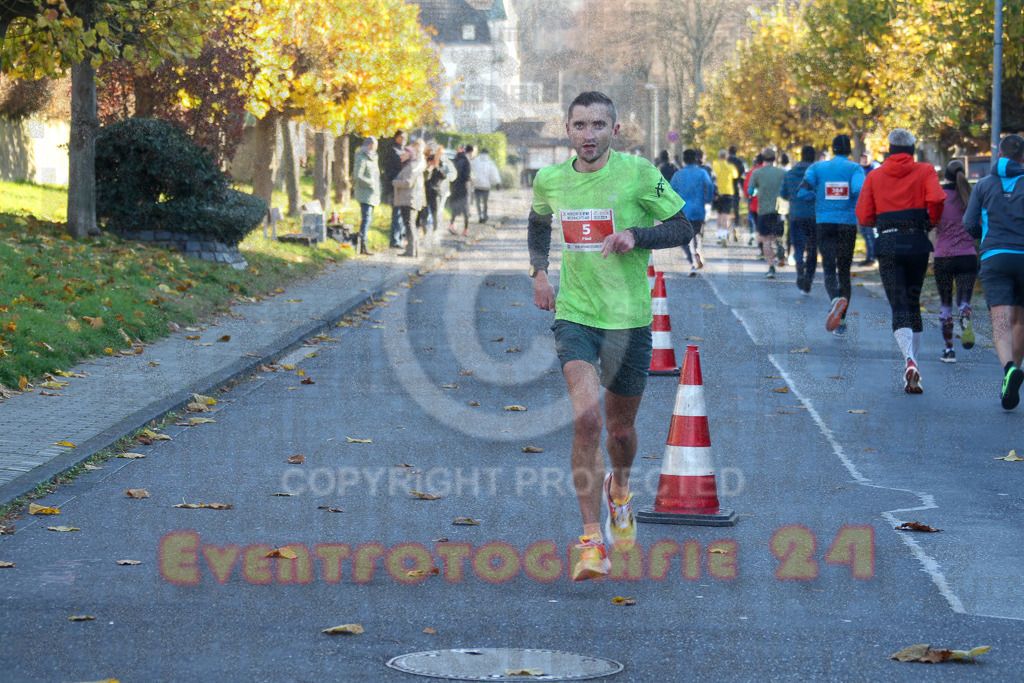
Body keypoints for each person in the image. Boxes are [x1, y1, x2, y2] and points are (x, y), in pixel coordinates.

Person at [528, 91, 692, 581]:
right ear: (568, 129)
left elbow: (684, 225)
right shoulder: (551, 178)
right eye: (580, 125)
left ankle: (620, 491)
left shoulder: (638, 174)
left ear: (614, 130)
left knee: (620, 431)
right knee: (587, 422)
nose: (589, 134)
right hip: (576, 316)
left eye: (599, 124)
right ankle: (590, 540)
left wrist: (636, 237)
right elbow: (538, 223)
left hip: (629, 321)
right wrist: (539, 272)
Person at [856, 128, 944, 394]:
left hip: (889, 242)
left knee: (899, 303)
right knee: (913, 300)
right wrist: (931, 222)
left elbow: (863, 215)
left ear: (890, 148)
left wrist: (877, 222)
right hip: (917, 243)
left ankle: (909, 360)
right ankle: (913, 362)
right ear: (912, 148)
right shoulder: (926, 170)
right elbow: (938, 198)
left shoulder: (874, 175)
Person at [963, 134, 1024, 409]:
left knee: (1000, 320)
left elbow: (969, 223)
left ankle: (1009, 370)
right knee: (1020, 321)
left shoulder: (984, 184)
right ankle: (1012, 377)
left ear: (1000, 153)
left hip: (995, 256)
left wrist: (985, 238)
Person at [799, 134, 865, 335]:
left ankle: (835, 299)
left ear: (833, 148)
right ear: (849, 149)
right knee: (844, 271)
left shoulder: (817, 168)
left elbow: (803, 193)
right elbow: (859, 189)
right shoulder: (855, 169)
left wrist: (819, 195)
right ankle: (842, 322)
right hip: (847, 224)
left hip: (824, 223)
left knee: (828, 267)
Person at [933, 160, 978, 363]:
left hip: (944, 257)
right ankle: (965, 312)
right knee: (963, 300)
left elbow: (931, 220)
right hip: (968, 256)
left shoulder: (940, 197)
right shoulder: (971, 196)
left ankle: (949, 350)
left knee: (945, 305)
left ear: (945, 176)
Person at [779, 145, 818, 293]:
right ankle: (808, 280)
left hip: (796, 214)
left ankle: (800, 262)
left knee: (798, 244)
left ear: (801, 155)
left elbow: (783, 194)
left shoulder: (790, 174)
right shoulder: (817, 173)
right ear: (813, 156)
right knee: (813, 248)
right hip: (815, 215)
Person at [670, 148, 714, 272]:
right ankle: (698, 250)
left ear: (684, 160)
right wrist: (708, 200)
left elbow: (671, 191)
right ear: (696, 159)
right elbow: (710, 186)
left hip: (683, 211)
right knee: (697, 233)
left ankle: (692, 259)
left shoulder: (678, 175)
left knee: (684, 238)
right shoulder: (702, 173)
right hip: (699, 209)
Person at [748, 147, 787, 278]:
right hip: (779, 209)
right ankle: (780, 246)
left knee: (765, 240)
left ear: (762, 158)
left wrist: (755, 192)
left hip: (763, 210)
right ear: (775, 158)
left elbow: (750, 191)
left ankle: (771, 267)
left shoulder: (757, 173)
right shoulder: (782, 173)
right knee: (777, 235)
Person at [392, 138, 427, 257]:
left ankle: (411, 250)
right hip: (411, 199)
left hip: (408, 199)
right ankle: (414, 250)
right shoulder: (413, 166)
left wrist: (395, 182)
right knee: (411, 225)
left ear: (410, 154)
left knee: (409, 225)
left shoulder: (411, 167)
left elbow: (407, 182)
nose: (402, 154)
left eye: (404, 152)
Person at [352, 136, 380, 256]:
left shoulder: (373, 158)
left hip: (372, 194)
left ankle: (363, 243)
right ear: (370, 145)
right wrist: (371, 183)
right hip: (365, 193)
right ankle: (362, 244)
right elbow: (357, 176)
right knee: (366, 218)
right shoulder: (361, 156)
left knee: (368, 219)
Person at [382, 130, 410, 248]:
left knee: (402, 213)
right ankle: (394, 239)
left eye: (405, 137)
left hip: (401, 185)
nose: (403, 139)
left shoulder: (403, 150)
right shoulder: (393, 151)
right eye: (401, 137)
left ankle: (399, 237)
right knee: (397, 213)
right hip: (396, 186)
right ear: (396, 138)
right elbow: (391, 170)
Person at [421, 144, 450, 246]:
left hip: (435, 191)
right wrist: (428, 165)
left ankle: (435, 234)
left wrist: (437, 166)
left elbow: (444, 175)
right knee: (423, 214)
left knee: (435, 213)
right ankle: (425, 235)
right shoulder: (425, 160)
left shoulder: (440, 162)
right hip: (424, 190)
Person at [711, 149, 738, 247]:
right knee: (726, 214)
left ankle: (719, 235)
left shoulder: (715, 165)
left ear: (719, 157)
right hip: (729, 192)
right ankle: (724, 235)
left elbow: (712, 178)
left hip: (719, 193)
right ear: (727, 157)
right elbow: (735, 176)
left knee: (719, 214)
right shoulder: (731, 167)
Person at [858, 152, 881, 266]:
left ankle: (875, 257)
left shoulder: (876, 169)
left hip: (873, 205)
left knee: (872, 232)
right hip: (862, 205)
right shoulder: (858, 170)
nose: (864, 160)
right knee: (864, 232)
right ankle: (869, 256)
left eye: (866, 158)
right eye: (862, 158)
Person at [470, 147, 501, 223]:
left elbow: (471, 172)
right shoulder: (490, 162)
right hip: (486, 186)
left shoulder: (475, 161)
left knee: (478, 202)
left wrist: (472, 181)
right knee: (485, 202)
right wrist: (497, 183)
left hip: (477, 185)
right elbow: (493, 173)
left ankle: (480, 215)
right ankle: (485, 215)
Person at [447, 146, 472, 235]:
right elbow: (467, 176)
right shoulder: (467, 161)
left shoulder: (454, 160)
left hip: (454, 188)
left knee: (455, 208)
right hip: (464, 188)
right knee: (465, 209)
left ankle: (451, 225)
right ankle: (465, 229)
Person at [743, 154, 764, 246]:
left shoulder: (752, 172)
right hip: (770, 204)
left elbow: (747, 189)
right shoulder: (773, 172)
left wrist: (748, 196)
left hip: (755, 204)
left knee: (758, 226)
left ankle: (762, 248)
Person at [728, 146, 746, 236]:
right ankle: (736, 227)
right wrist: (743, 188)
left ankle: (728, 228)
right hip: (736, 188)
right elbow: (743, 176)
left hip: (726, 188)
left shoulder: (726, 162)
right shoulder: (739, 162)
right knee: (736, 208)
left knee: (727, 209)